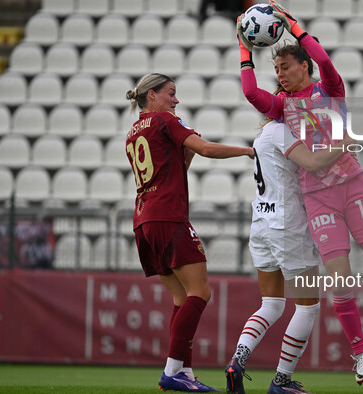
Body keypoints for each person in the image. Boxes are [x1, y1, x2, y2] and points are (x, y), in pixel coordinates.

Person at [237, 0, 363, 384]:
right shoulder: (281, 107)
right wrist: (243, 44)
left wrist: (290, 23)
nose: (280, 74)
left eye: (285, 66)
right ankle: (360, 355)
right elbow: (250, 93)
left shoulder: (331, 90)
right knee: (340, 280)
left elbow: (325, 59)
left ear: (303, 66)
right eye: (275, 69)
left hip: (354, 186)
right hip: (318, 197)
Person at [124, 73, 254, 393]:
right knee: (200, 293)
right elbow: (206, 149)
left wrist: (188, 148)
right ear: (152, 96)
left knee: (181, 297)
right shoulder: (164, 119)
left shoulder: (133, 131)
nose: (175, 99)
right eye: (171, 93)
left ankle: (185, 372)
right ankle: (172, 373)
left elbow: (176, 165)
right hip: (169, 217)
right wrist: (248, 151)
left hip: (143, 219)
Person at [225, 118, 355, 394]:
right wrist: (344, 144)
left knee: (271, 304)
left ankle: (237, 361)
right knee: (308, 306)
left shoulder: (264, 134)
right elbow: (312, 163)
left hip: (262, 222)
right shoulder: (282, 131)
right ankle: (281, 381)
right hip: (287, 225)